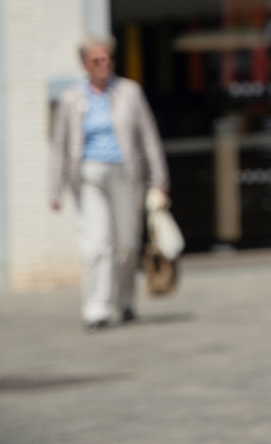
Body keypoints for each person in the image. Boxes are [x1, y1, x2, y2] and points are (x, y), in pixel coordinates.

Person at [49, 35, 170, 331]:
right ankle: (96, 309)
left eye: (107, 59)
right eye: (96, 60)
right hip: (89, 176)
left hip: (126, 175)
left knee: (127, 244)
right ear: (84, 64)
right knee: (98, 245)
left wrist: (160, 179)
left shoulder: (130, 92)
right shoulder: (71, 99)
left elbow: (149, 137)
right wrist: (55, 189)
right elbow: (60, 146)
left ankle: (125, 301)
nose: (103, 64)